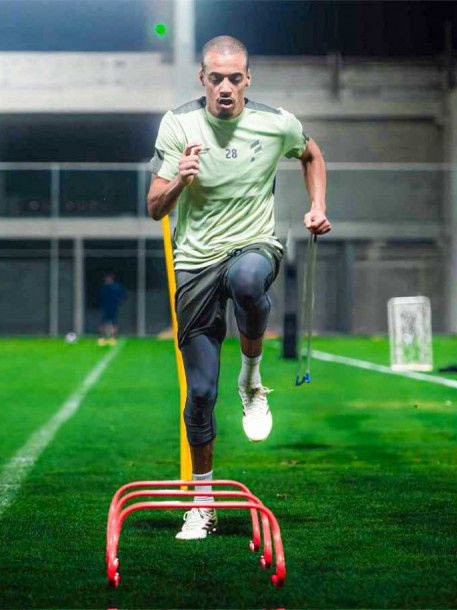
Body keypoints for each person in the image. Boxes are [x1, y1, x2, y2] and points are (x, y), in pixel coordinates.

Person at [146, 35, 331, 540]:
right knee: (201, 392)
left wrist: (317, 206)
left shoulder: (276, 123)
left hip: (253, 244)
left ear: (248, 78)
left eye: (234, 78)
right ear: (202, 80)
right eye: (215, 78)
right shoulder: (178, 124)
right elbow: (154, 208)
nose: (225, 87)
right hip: (194, 263)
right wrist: (180, 180)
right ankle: (202, 505)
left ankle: (251, 379)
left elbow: (311, 154)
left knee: (249, 280)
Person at [98, 272, 128, 346]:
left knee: (114, 323)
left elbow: (124, 294)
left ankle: (112, 338)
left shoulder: (117, 287)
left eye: (108, 278)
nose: (107, 280)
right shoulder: (104, 287)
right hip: (105, 307)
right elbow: (100, 296)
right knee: (103, 323)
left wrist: (120, 301)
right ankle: (102, 338)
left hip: (114, 307)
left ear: (111, 279)